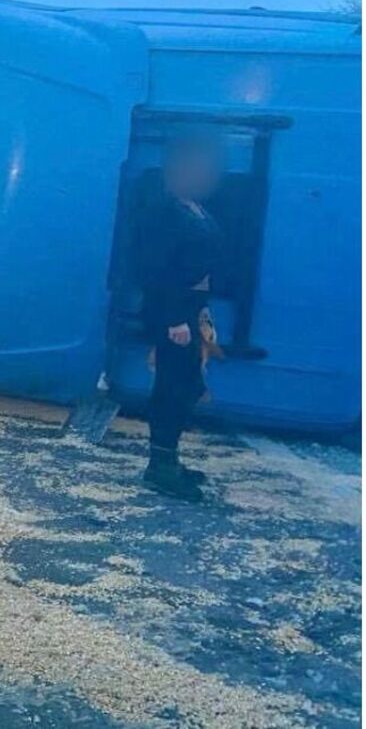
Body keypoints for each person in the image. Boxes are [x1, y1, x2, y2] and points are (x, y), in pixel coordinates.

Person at [134, 133, 224, 500]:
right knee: (174, 387)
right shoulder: (163, 211)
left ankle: (168, 458)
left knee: (186, 384)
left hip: (189, 310)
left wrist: (199, 307)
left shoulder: (192, 206)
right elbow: (156, 268)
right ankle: (160, 468)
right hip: (172, 314)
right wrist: (174, 319)